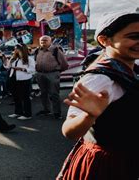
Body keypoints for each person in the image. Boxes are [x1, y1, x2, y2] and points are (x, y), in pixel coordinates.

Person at [57, 10, 139, 179]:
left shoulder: (131, 70)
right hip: (107, 165)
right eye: (133, 36)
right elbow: (68, 131)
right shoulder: (100, 78)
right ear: (104, 40)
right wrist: (89, 115)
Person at [34, 35, 69, 119]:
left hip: (52, 74)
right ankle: (46, 110)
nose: (43, 42)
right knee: (43, 93)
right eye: (41, 41)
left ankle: (57, 113)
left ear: (50, 41)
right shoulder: (38, 50)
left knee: (54, 94)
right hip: (40, 74)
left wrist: (57, 72)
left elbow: (64, 64)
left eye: (45, 40)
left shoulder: (56, 50)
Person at [6, 44, 35, 120]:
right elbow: (7, 67)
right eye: (15, 49)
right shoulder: (14, 58)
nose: (15, 50)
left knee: (25, 97)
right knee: (16, 96)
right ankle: (18, 112)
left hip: (24, 79)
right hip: (13, 78)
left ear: (22, 50)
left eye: (17, 49)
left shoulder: (29, 59)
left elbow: (32, 70)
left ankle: (27, 114)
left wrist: (21, 69)